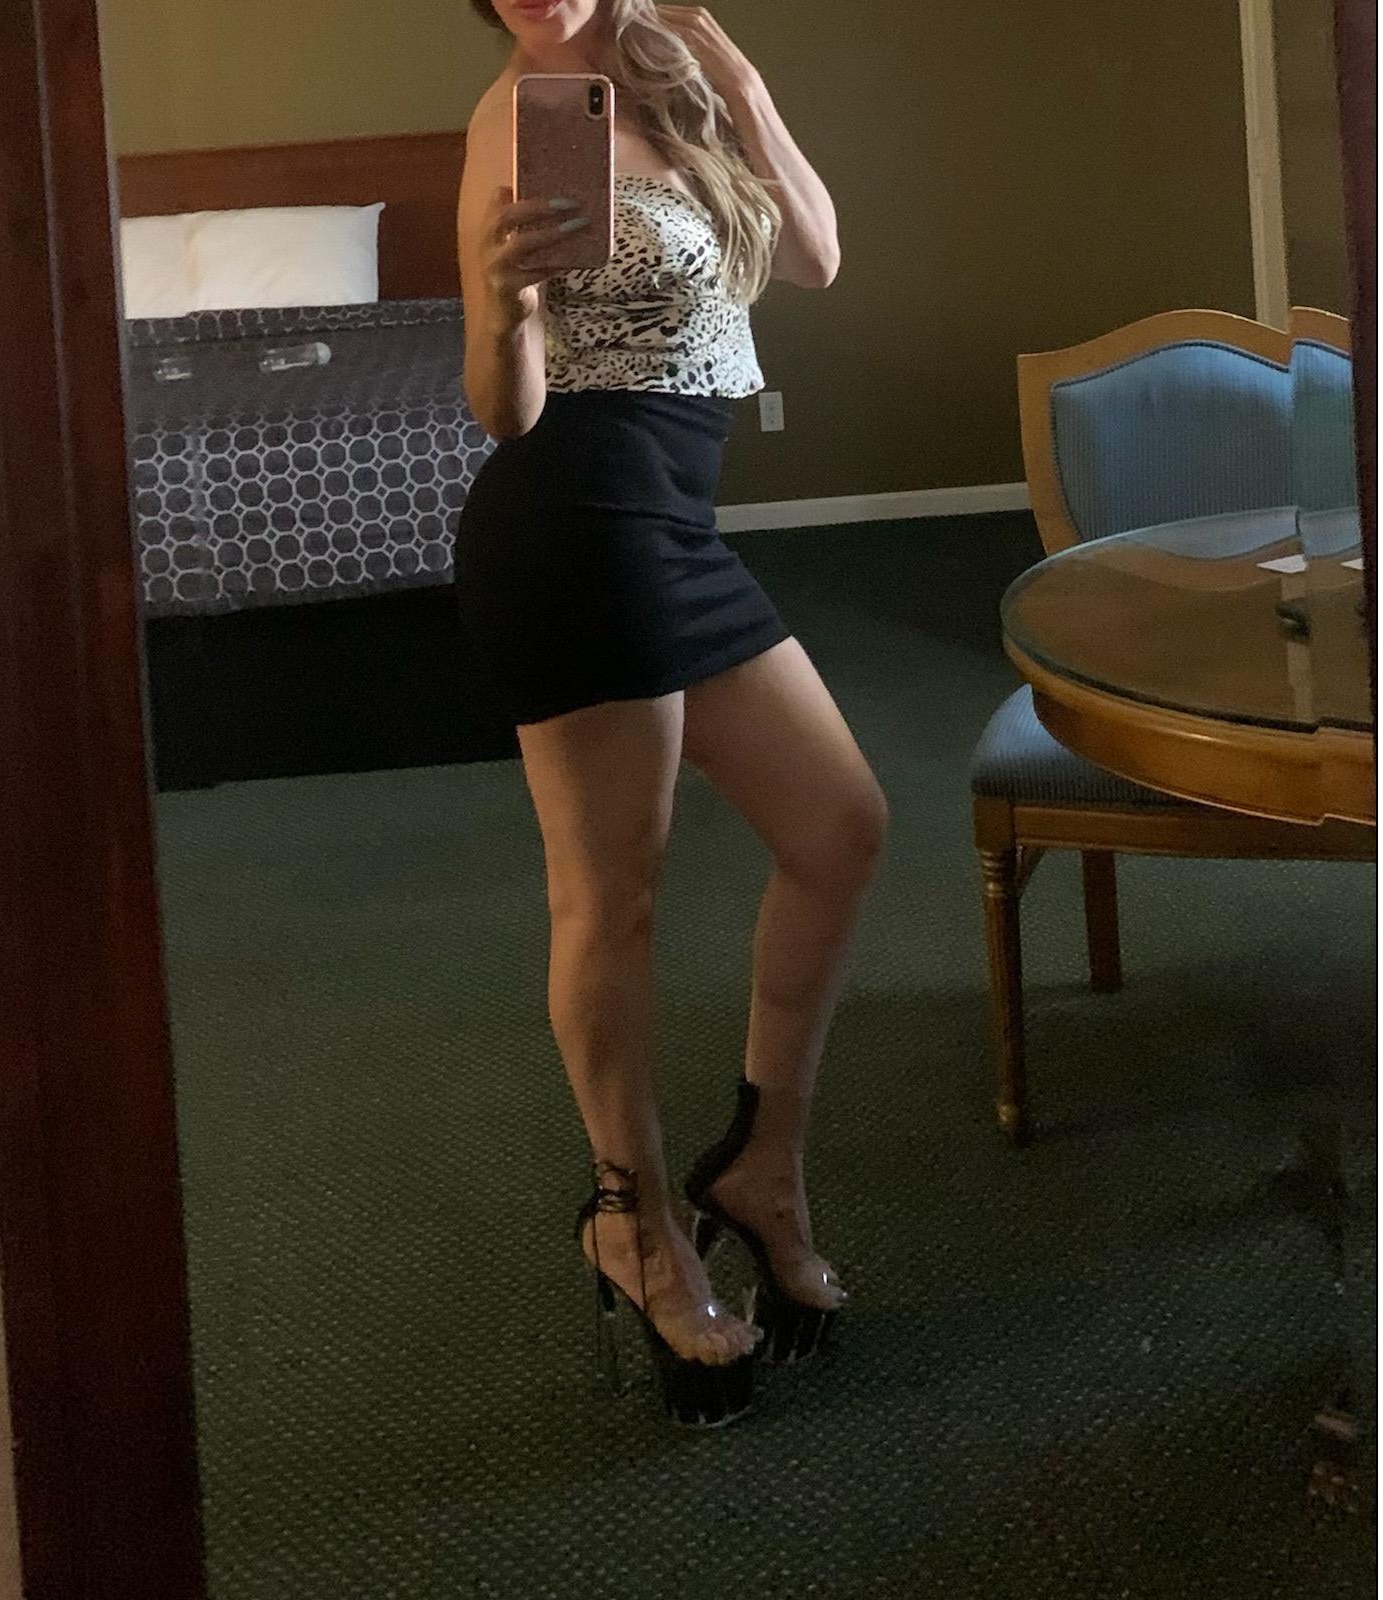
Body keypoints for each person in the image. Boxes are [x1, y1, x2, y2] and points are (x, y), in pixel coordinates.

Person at [456, 0, 887, 1426]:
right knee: (610, 896)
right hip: (573, 523)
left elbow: (815, 255)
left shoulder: (683, 78)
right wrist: (502, 307)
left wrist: (741, 76)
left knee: (838, 827)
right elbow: (503, 409)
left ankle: (760, 1169)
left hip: (674, 530)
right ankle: (634, 1225)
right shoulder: (509, 119)